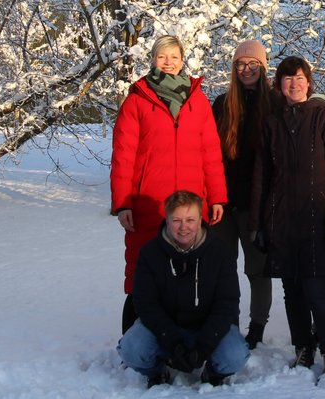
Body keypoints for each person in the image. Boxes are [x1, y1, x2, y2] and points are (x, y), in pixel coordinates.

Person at [111, 35, 227, 335]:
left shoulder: (197, 100)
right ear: (152, 59)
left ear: (182, 59)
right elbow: (123, 155)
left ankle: (184, 338)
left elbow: (211, 153)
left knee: (190, 273)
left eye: (174, 56)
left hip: (191, 205)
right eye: (162, 56)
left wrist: (216, 197)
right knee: (142, 272)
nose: (168, 62)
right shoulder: (138, 99)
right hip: (149, 202)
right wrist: (122, 202)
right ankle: (136, 343)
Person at [249, 56, 325, 372]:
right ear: (279, 85)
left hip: (317, 223)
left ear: (309, 81)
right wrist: (257, 224)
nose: (293, 84)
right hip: (282, 225)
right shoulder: (273, 123)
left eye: (299, 78)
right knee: (292, 295)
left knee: (318, 296)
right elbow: (261, 176)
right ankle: (303, 347)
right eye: (287, 79)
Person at [117, 191, 249, 387]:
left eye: (190, 220)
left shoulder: (220, 252)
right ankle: (156, 372)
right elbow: (146, 304)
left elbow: (227, 303)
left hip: (206, 327)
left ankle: (213, 374)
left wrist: (204, 347)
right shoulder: (150, 253)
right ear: (167, 219)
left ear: (200, 219)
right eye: (176, 220)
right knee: (132, 349)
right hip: (165, 329)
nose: (183, 227)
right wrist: (173, 344)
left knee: (236, 355)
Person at [210, 39, 276, 350]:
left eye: (253, 64)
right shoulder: (222, 104)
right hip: (223, 203)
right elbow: (210, 155)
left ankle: (258, 326)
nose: (246, 69)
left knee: (257, 268)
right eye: (241, 64)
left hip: (258, 204)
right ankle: (228, 321)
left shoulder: (275, 103)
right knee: (224, 266)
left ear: (263, 68)